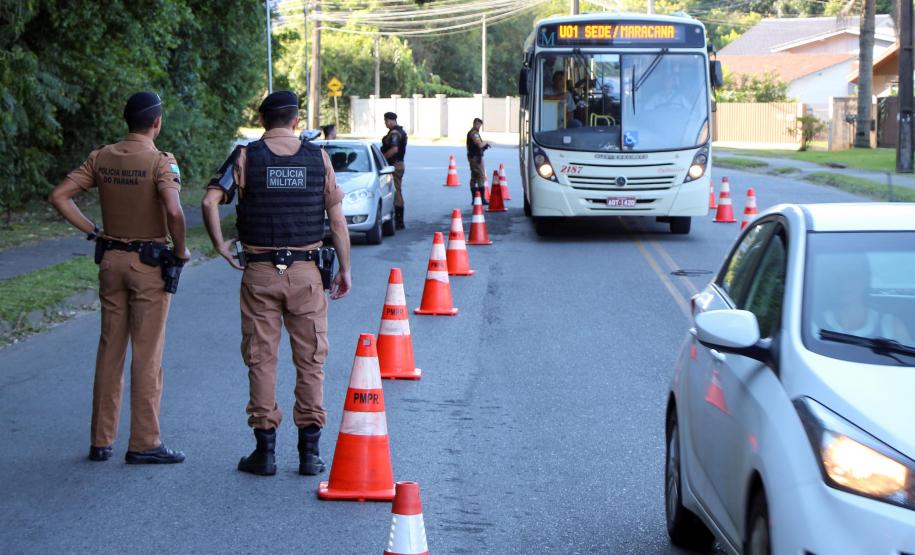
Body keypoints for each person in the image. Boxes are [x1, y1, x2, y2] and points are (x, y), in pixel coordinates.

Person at [201, 90, 351, 477]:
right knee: (311, 361)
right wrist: (345, 269)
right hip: (306, 274)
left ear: (263, 121)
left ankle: (264, 453)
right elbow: (337, 221)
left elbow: (209, 201)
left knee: (261, 359)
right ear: (296, 121)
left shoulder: (246, 156)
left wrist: (220, 245)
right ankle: (309, 454)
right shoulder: (317, 157)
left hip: (260, 271)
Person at [47, 91, 189, 464]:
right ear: (156, 122)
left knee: (110, 351)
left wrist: (93, 231)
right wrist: (180, 249)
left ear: (128, 121)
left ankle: (100, 440)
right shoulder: (161, 162)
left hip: (111, 261)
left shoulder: (101, 157)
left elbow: (59, 196)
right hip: (149, 267)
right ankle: (144, 442)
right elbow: (174, 210)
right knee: (147, 354)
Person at [381, 112, 407, 229]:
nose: (385, 123)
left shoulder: (395, 133)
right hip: (397, 164)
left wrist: (382, 159)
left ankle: (399, 221)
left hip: (394, 165)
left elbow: (394, 149)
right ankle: (398, 220)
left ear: (390, 120)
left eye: (386, 121)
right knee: (397, 190)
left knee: (396, 191)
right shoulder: (398, 131)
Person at [466, 118, 490, 205]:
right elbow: (479, 144)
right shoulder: (474, 133)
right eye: (479, 125)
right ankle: (482, 199)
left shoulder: (472, 132)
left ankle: (474, 199)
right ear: (475, 124)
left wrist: (483, 147)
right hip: (476, 159)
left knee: (474, 177)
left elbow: (476, 146)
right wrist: (486, 143)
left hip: (473, 157)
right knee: (481, 176)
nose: (479, 126)